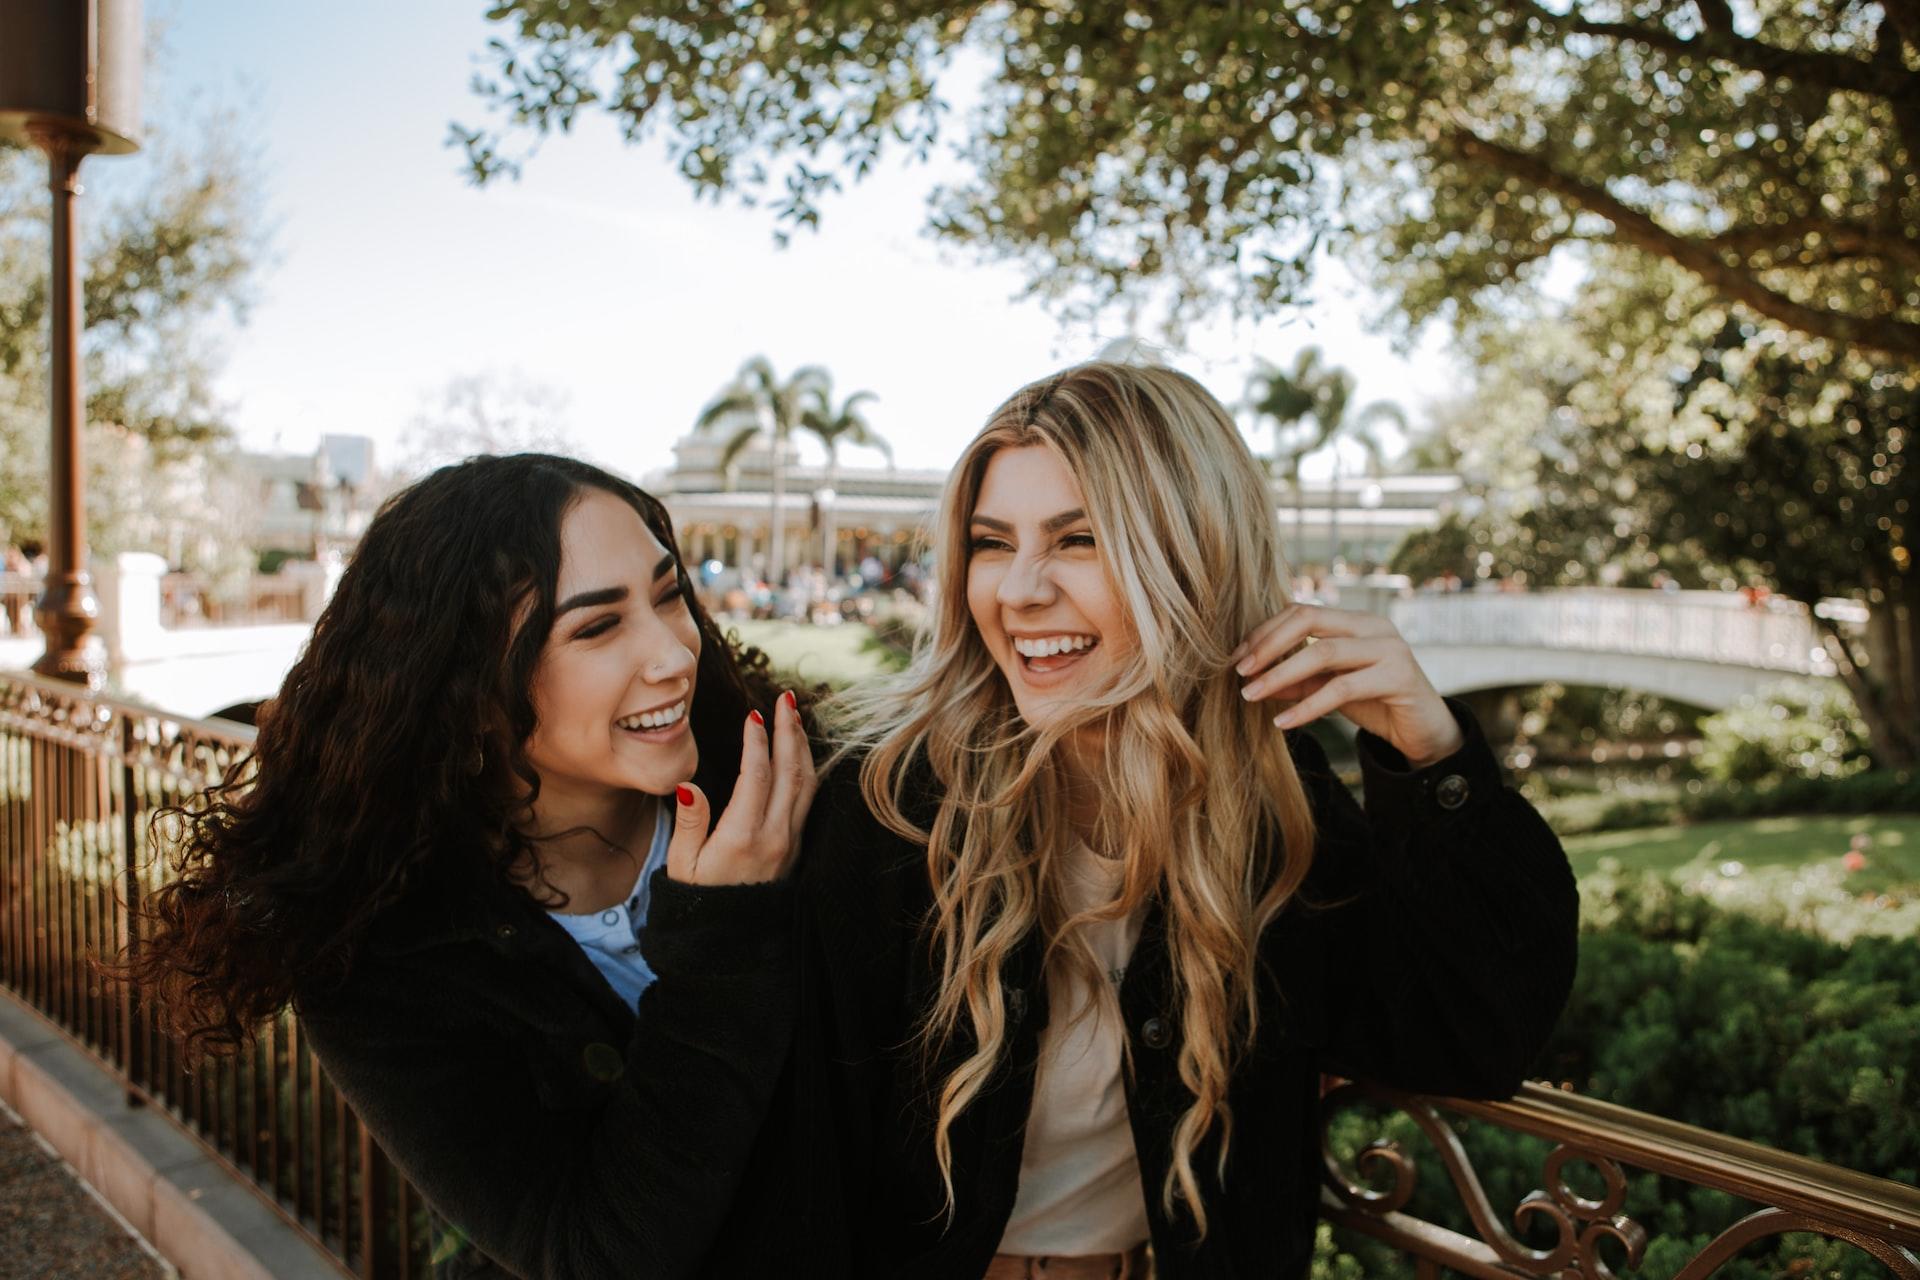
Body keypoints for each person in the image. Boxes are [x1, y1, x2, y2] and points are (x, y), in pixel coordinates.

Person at [788, 362, 1579, 1279]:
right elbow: (802, 1157)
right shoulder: (888, 808)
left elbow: (1472, 1038)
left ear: (1192, 554)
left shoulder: (1275, 806)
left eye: (1079, 539)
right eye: (992, 542)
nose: (1019, 591)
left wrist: (1434, 758)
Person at [120, 454, 817, 1279]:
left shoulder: (791, 794)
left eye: (668, 595)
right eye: (597, 627)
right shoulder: (380, 963)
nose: (672, 653)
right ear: (467, 679)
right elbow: (594, 1253)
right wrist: (723, 935)